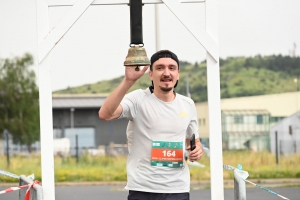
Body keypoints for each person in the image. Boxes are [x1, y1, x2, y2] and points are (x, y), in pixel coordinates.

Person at [99, 50, 203, 200]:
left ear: (178, 74)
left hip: (177, 188)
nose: (166, 73)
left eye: (171, 68)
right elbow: (105, 114)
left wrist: (197, 150)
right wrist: (128, 81)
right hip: (143, 188)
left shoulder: (188, 104)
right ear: (151, 74)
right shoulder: (138, 99)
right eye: (160, 68)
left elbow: (194, 141)